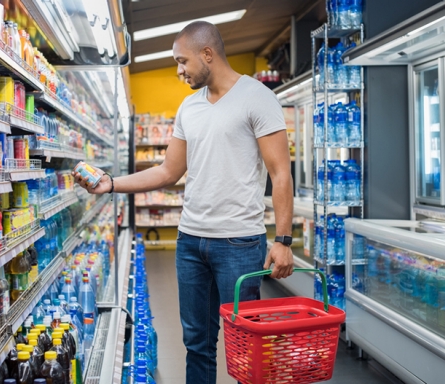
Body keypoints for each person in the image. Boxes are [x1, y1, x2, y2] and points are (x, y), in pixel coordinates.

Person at [74, 21, 294, 384]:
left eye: (182, 61)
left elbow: (280, 173)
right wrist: (110, 184)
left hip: (239, 243)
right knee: (197, 343)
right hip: (190, 242)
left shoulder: (257, 97)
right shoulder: (189, 108)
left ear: (208, 54)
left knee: (248, 344)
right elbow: (167, 172)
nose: (178, 71)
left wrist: (283, 241)